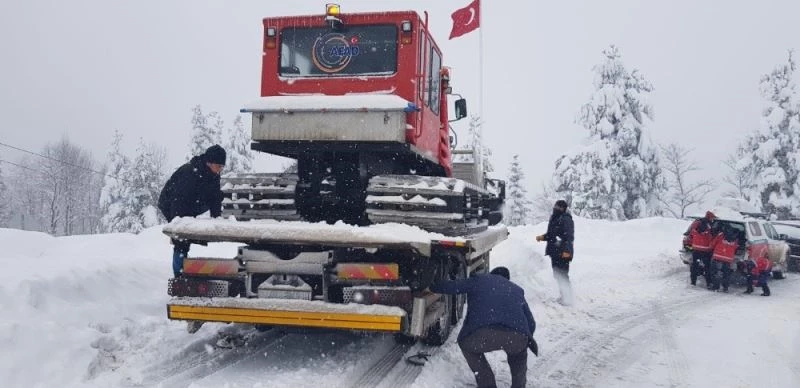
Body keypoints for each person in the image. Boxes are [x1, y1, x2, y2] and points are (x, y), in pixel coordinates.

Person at [430, 267, 537, 388]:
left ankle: (487, 385)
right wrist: (523, 341)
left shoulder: (479, 280)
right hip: (516, 336)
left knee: (466, 345)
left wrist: (432, 286)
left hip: (482, 334)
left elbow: (454, 287)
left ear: (491, 274)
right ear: (507, 279)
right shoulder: (516, 289)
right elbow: (531, 323)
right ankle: (519, 385)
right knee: (519, 356)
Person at [158, 144, 226, 277]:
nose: (220, 170)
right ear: (209, 163)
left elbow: (215, 197)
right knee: (182, 241)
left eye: (222, 167)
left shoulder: (214, 175)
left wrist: (216, 217)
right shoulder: (189, 174)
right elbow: (177, 202)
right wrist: (178, 227)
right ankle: (179, 275)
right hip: (172, 204)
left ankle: (183, 264)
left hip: (192, 202)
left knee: (218, 195)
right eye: (219, 166)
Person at [535, 199, 574, 305]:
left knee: (563, 275)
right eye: (555, 206)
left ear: (563, 209)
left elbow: (569, 237)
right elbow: (552, 235)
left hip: (563, 253)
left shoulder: (566, 219)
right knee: (558, 275)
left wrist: (566, 251)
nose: (556, 208)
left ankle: (567, 299)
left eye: (558, 207)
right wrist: (542, 237)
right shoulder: (555, 218)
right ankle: (564, 296)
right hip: (555, 252)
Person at [687, 211, 716, 288]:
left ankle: (693, 282)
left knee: (694, 266)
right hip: (705, 250)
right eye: (713, 218)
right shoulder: (709, 225)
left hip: (696, 248)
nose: (713, 219)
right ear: (710, 217)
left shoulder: (697, 223)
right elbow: (712, 236)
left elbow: (690, 233)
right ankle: (709, 283)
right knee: (707, 267)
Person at [707, 225, 738, 292]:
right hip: (728, 258)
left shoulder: (721, 235)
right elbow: (735, 247)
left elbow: (713, 243)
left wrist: (710, 248)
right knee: (726, 273)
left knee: (715, 272)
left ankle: (716, 287)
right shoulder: (735, 237)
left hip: (718, 256)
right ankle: (725, 288)